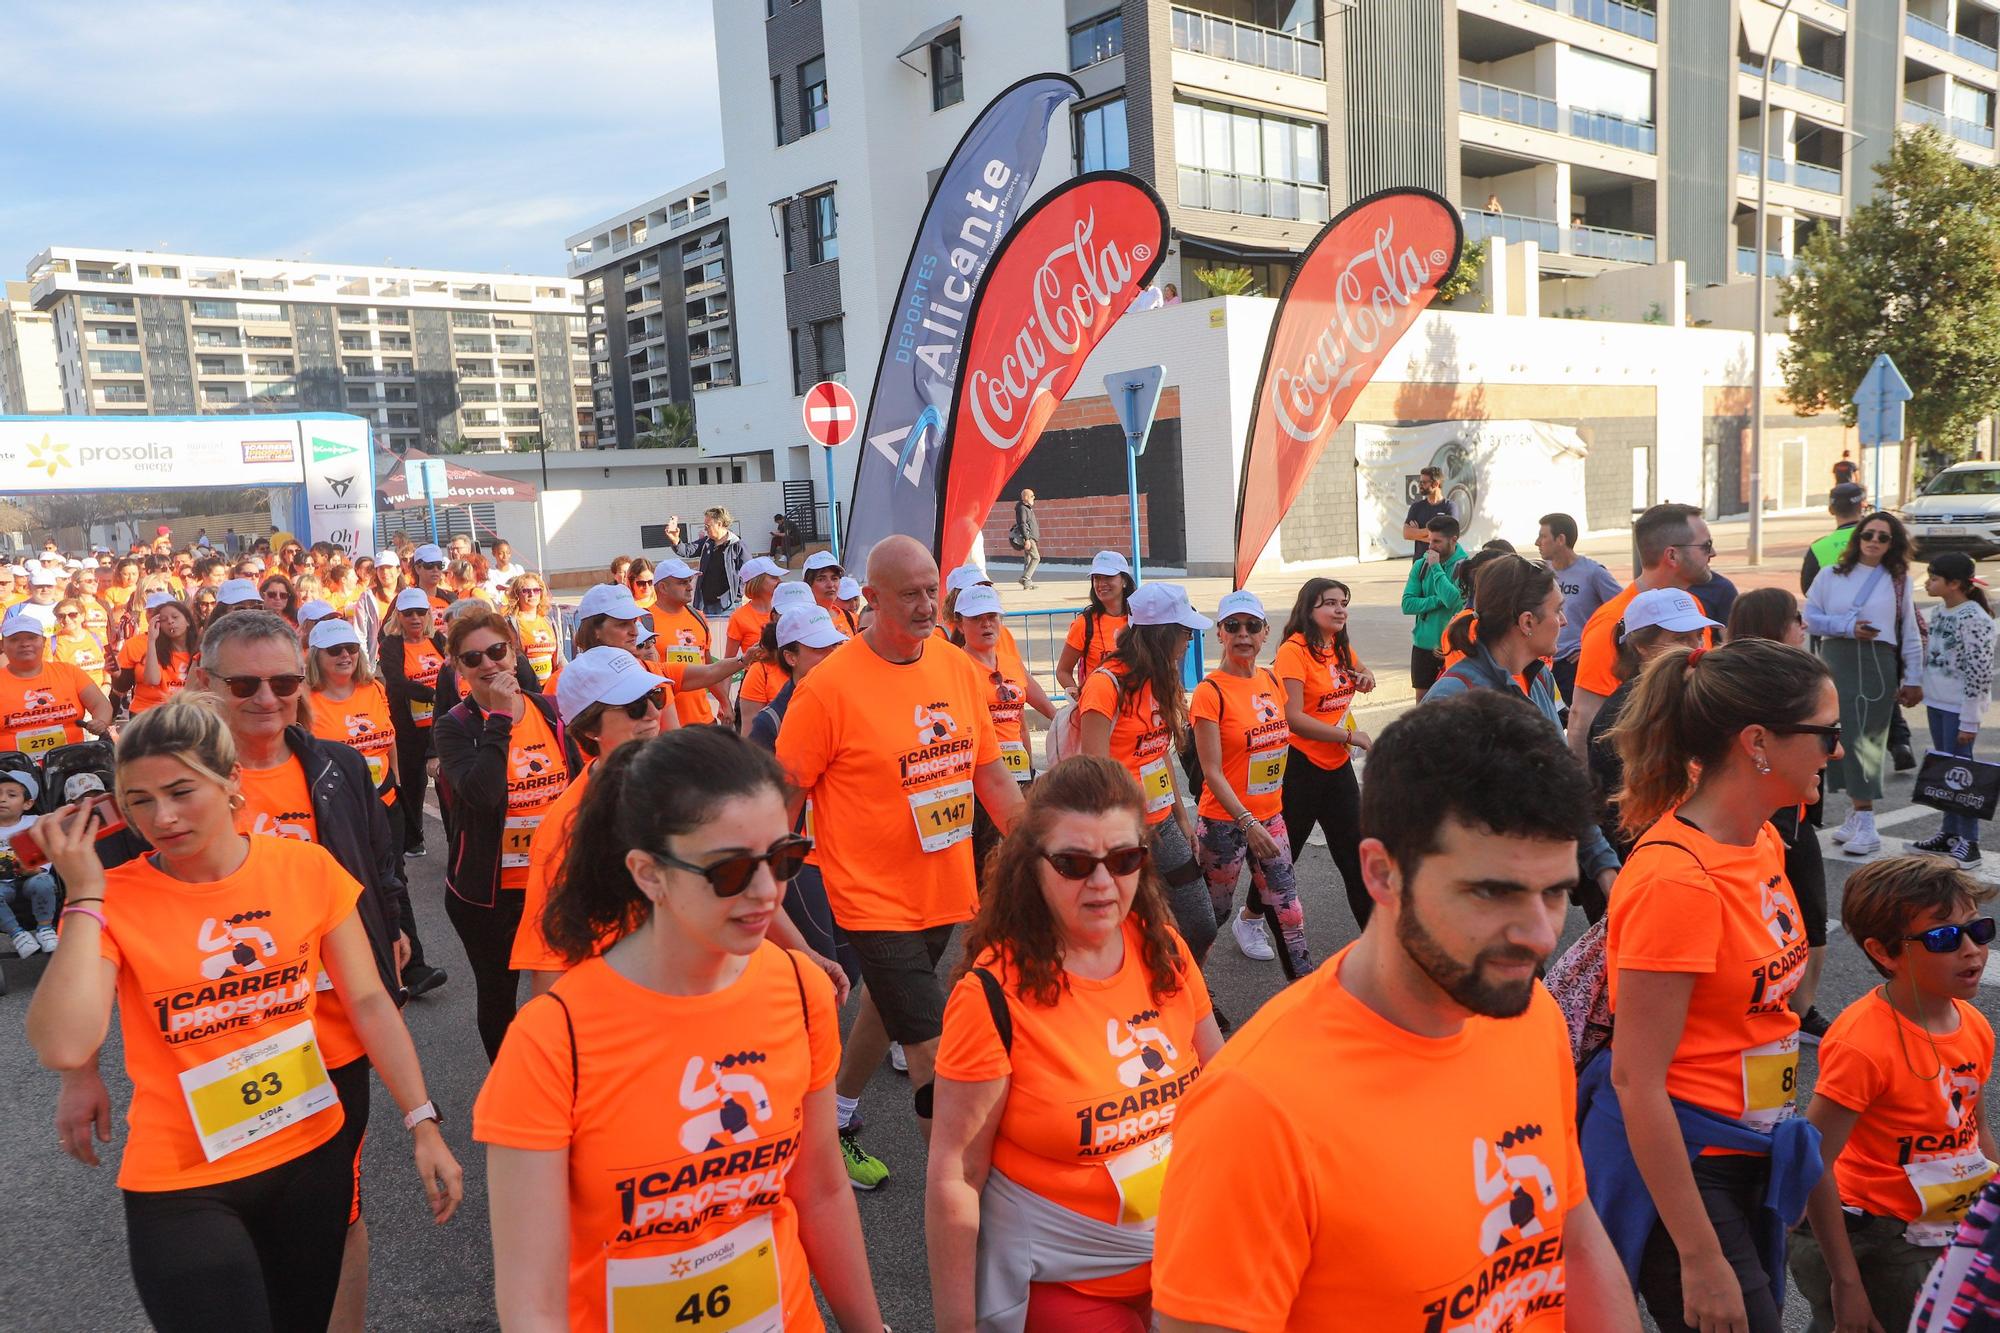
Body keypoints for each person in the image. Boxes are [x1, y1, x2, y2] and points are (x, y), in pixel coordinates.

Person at [1152, 689, 1640, 1332]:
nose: (1541, 935)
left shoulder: (1529, 1017)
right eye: (1493, 892)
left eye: (1555, 893)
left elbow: (1571, 1239)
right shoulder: (1257, 1108)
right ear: (1381, 874)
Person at [26, 697, 462, 1333]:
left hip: (309, 1155)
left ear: (231, 783)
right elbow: (63, 1043)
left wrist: (422, 1122)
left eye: (181, 790)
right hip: (183, 1178)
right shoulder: (114, 896)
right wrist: (85, 893)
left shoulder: (306, 867)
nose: (163, 817)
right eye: (140, 800)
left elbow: (369, 999)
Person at [476, 726, 886, 1332]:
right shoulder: (552, 1040)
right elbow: (531, 1305)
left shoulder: (799, 990)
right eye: (729, 871)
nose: (767, 891)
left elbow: (821, 1190)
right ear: (648, 873)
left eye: (783, 859)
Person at [1583, 637, 1837, 1333]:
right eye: (1826, 733)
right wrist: (1698, 1254)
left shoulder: (1759, 840)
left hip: (1752, 1143)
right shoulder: (1677, 880)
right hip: (1691, 1162)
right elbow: (1638, 1080)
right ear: (1759, 742)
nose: (1836, 751)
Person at [929, 756, 1224, 1332]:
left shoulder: (1163, 948)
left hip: (1187, 1251)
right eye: (1073, 863)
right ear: (1031, 866)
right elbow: (955, 1176)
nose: (1101, 883)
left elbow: (1223, 1090)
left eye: (1123, 859)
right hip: (1070, 1277)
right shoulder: (992, 993)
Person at [776, 535, 1026, 1158]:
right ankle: (962, 1196)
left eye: (932, 591)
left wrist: (1042, 848)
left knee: (886, 1008)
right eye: (909, 594)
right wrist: (767, 895)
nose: (926, 605)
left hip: (945, 886)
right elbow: (783, 797)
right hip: (869, 897)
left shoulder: (957, 668)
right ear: (872, 598)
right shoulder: (827, 689)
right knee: (929, 1044)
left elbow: (989, 774)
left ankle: (832, 1114)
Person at [1791, 856, 1996, 1333]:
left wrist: (1989, 1223)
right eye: (1944, 937)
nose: (1972, 951)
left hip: (1948, 1225)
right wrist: (1846, 1284)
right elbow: (1813, 1163)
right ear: (1883, 952)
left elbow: (1975, 1127)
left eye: (1978, 930)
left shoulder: (1974, 1024)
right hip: (1878, 1239)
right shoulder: (1862, 1045)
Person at [1426, 555, 1623, 908]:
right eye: (1558, 610)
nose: (1564, 621)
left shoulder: (1539, 678)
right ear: (1527, 621)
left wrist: (1605, 866)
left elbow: (1561, 782)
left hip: (1525, 886)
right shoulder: (1456, 697)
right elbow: (1426, 819)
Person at [432, 609, 577, 1062]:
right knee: (499, 996)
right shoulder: (453, 726)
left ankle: (566, 1079)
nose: (489, 665)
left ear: (512, 650)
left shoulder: (550, 709)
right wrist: (497, 719)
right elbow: (481, 795)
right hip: (491, 896)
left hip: (558, 884)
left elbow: (577, 788)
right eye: (473, 659)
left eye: (496, 651)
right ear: (459, 667)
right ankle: (510, 1085)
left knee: (566, 991)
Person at [509, 646, 669, 997]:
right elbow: (549, 959)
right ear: (591, 727)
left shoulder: (693, 782)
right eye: (634, 706)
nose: (654, 713)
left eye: (656, 695)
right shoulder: (567, 828)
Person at [1078, 582, 1216, 966]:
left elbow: (1158, 755)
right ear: (1162, 634)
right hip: (1120, 831)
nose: (1189, 639)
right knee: (1133, 931)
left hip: (1162, 825)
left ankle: (1185, 993)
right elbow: (1094, 774)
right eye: (1185, 631)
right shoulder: (1106, 685)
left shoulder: (1163, 676)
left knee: (1199, 923)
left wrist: (1181, 817)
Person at [1192, 590, 1313, 979]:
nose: (1243, 634)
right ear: (1220, 634)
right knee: (1211, 919)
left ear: (1265, 633)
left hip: (1271, 818)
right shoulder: (1210, 692)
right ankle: (1187, 993)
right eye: (1233, 626)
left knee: (1290, 911)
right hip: (1224, 825)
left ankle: (1304, 991)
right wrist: (1247, 822)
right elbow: (1211, 770)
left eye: (1252, 626)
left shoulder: (1271, 680)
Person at [1805, 510, 1923, 856]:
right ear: (1857, 538)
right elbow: (1810, 618)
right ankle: (1856, 814)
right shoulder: (1830, 575)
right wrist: (1846, 627)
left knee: (1867, 739)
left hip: (1876, 661)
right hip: (1837, 659)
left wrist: (1914, 678)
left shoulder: (1898, 580)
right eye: (1868, 534)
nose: (1873, 541)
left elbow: (1909, 632)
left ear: (1893, 544)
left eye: (1882, 537)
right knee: (1838, 735)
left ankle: (1866, 818)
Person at [1567, 502, 1715, 760]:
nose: (1713, 553)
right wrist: (1590, 795)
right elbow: (1583, 720)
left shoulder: (1692, 606)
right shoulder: (1611, 621)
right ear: (1672, 555)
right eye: (1705, 546)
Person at [1585, 588, 1719, 874]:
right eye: (1680, 638)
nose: (1697, 647)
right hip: (1650, 867)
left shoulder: (1690, 697)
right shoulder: (1623, 718)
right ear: (1641, 647)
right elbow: (1631, 817)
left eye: (1698, 635)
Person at [1272, 578, 1373, 930]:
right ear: (1309, 609)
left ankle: (1378, 942)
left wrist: (1366, 678)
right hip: (1302, 766)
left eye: (1343, 602)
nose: (1340, 609)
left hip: (1336, 765)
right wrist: (1350, 735)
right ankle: (1251, 916)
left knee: (1355, 856)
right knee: (1286, 854)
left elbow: (1364, 672)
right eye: (1330, 603)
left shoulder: (1338, 646)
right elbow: (1294, 718)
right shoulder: (1293, 651)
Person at [952, 582, 1056, 872]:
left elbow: (1021, 715)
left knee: (1020, 851)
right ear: (960, 623)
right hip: (981, 777)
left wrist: (1059, 720)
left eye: (992, 617)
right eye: (976, 618)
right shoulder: (956, 665)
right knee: (989, 859)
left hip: (1020, 773)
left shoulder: (1009, 662)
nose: (986, 624)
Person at [1915, 551, 1995, 865]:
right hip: (1937, 702)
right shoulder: (1938, 612)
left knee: (1962, 774)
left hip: (1959, 709)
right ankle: (1949, 834)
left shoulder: (1975, 618)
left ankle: (1969, 841)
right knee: (1945, 771)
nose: (1928, 582)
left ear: (1955, 584)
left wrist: (1970, 719)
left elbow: (1979, 671)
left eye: (1934, 578)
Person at [379, 587, 447, 862]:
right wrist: (433, 694)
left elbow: (453, 673)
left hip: (440, 724)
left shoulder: (438, 640)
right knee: (412, 783)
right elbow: (396, 682)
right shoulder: (391, 645)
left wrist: (441, 698)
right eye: (409, 614)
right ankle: (413, 836)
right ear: (399, 616)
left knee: (446, 783)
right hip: (408, 727)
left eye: (421, 612)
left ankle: (454, 837)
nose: (416, 618)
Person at [1537, 511, 1623, 704]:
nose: (1537, 542)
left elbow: (1624, 610)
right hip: (1545, 662)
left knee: (1572, 719)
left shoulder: (1593, 573)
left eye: (1543, 536)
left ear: (1560, 539)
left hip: (1574, 664)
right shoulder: (1542, 572)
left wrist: (1592, 647)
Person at [0, 605, 111, 754]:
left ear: (44, 642)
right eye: (14, 640)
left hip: (70, 764)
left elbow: (100, 704)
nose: (25, 644)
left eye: (32, 638)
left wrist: (101, 721)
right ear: (2, 646)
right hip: (12, 770)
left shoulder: (68, 672)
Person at [650, 556, 730, 725]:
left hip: (704, 720)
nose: (689, 587)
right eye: (681, 582)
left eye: (690, 581)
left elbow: (708, 667)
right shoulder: (644, 621)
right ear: (663, 588)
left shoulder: (698, 617)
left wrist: (724, 702)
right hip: (668, 727)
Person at [1401, 514, 1466, 692]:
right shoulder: (1421, 565)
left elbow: (1452, 601)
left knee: (1453, 706)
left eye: (1437, 541)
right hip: (1423, 646)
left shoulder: (1465, 567)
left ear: (1453, 540)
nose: (1431, 546)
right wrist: (1437, 601)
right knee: (1422, 708)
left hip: (1453, 649)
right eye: (1430, 540)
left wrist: (1436, 568)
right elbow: (1407, 605)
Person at [1056, 551, 1134, 695]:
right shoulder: (1084, 624)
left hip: (1135, 708)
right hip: (1099, 708)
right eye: (1097, 578)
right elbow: (1063, 671)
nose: (1101, 584)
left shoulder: (1140, 620)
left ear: (1124, 581)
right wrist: (1079, 695)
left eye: (1108, 577)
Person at [0, 769, 57, 956]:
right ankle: (17, 934)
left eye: (11, 795)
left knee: (44, 882)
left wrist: (35, 869)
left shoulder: (36, 822)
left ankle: (45, 929)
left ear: (27, 803)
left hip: (32, 877)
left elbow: (47, 850)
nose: (2, 799)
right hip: (2, 884)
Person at [726, 555, 785, 726]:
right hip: (754, 688)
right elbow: (728, 662)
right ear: (757, 582)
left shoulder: (788, 610)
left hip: (788, 682)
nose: (779, 581)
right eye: (773, 577)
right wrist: (725, 703)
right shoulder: (739, 617)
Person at [118, 594, 194, 716]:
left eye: (175, 617)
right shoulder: (150, 646)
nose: (170, 621)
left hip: (185, 712)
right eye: (163, 619)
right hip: (149, 713)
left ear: (188, 620)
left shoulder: (198, 648)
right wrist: (152, 640)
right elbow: (152, 680)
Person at [674, 505, 746, 615]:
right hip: (705, 603)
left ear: (719, 524)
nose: (705, 529)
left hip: (728, 605)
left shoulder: (737, 545)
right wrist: (675, 540)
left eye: (708, 526)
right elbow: (687, 550)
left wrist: (737, 595)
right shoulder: (706, 542)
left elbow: (749, 571)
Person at [1802, 481, 1867, 595]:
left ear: (1831, 510)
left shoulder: (1818, 547)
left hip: (1834, 611)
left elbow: (1808, 590)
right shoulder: (1880, 540)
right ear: (1863, 505)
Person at [502, 573, 558, 686]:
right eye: (526, 591)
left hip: (549, 686)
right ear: (517, 594)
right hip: (525, 686)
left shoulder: (548, 621)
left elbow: (559, 656)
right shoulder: (510, 623)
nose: (532, 594)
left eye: (536, 590)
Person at [51, 597, 110, 693]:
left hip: (101, 695)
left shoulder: (95, 637)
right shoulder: (51, 644)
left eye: (73, 615)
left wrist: (107, 685)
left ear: (82, 616)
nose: (67, 619)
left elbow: (106, 667)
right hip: (71, 699)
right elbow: (50, 677)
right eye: (61, 616)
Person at [1399, 466, 1458, 557]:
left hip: (1443, 564)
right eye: (1420, 482)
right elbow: (1406, 534)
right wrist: (1435, 536)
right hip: (1420, 563)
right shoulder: (1416, 507)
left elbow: (1450, 534)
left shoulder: (1449, 507)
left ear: (1435, 484)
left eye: (1424, 482)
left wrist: (1417, 532)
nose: (1420, 485)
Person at [802, 550, 859, 634]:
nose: (830, 584)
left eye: (834, 578)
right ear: (807, 584)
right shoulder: (800, 622)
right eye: (821, 579)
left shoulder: (851, 618)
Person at [1013, 488, 1041, 590]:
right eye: (1032, 496)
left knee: (1028, 560)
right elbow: (1022, 524)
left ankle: (1027, 583)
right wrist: (1027, 539)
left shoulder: (1026, 508)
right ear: (1026, 497)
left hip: (1030, 537)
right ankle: (1025, 578)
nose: (1034, 498)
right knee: (1036, 558)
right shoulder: (1022, 508)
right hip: (1028, 538)